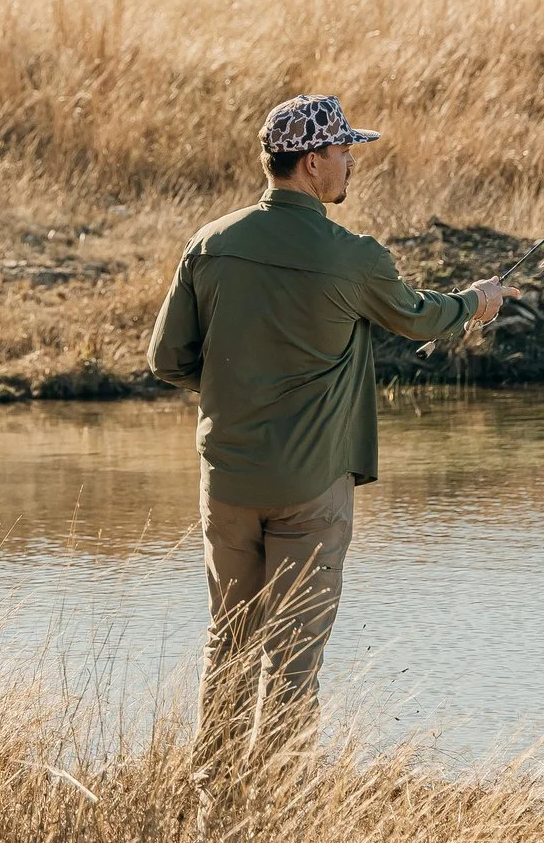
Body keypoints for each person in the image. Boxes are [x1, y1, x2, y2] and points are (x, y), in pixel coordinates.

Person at [148, 94, 516, 771]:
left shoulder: (209, 243)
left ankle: (210, 800)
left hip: (226, 482)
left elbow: (166, 358)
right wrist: (476, 302)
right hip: (311, 489)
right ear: (312, 162)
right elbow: (420, 316)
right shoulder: (355, 257)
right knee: (291, 659)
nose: (352, 161)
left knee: (227, 640)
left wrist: (241, 386)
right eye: (345, 150)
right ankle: (278, 815)